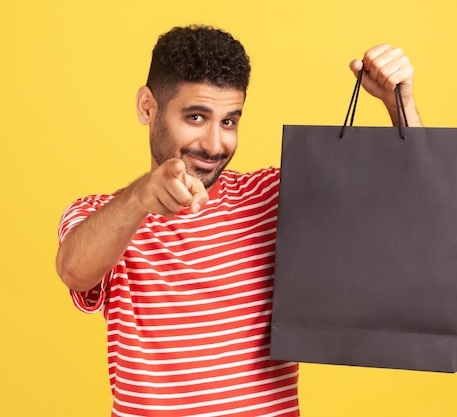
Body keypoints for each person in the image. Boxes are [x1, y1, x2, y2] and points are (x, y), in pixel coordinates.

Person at [56, 25, 422, 417]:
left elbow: (414, 211)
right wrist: (141, 197)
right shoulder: (105, 214)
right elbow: (74, 270)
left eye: (229, 121)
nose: (215, 145)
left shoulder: (271, 196)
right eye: (196, 117)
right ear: (148, 107)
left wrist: (401, 105)